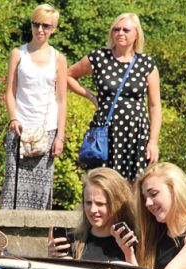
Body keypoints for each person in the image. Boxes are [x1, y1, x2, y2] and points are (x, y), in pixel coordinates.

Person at [67, 12, 161, 181]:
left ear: (136, 34)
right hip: (105, 132)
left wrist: (153, 141)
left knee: (136, 186)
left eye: (126, 30)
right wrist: (91, 96)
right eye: (116, 29)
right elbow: (67, 76)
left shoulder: (146, 64)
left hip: (136, 134)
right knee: (103, 184)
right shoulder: (99, 58)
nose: (120, 33)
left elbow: (155, 106)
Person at [0, 3, 67, 210]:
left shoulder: (59, 59)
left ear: (53, 29)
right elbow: (10, 92)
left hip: (46, 130)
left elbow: (62, 99)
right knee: (13, 183)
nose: (40, 30)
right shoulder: (18, 54)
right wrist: (13, 118)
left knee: (40, 188)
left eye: (46, 26)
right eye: (36, 24)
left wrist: (60, 137)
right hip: (19, 128)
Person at [48, 167, 137, 262]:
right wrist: (52, 261)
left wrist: (129, 254)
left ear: (117, 203)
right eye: (88, 203)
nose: (93, 210)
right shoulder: (72, 243)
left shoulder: (131, 241)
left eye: (100, 204)